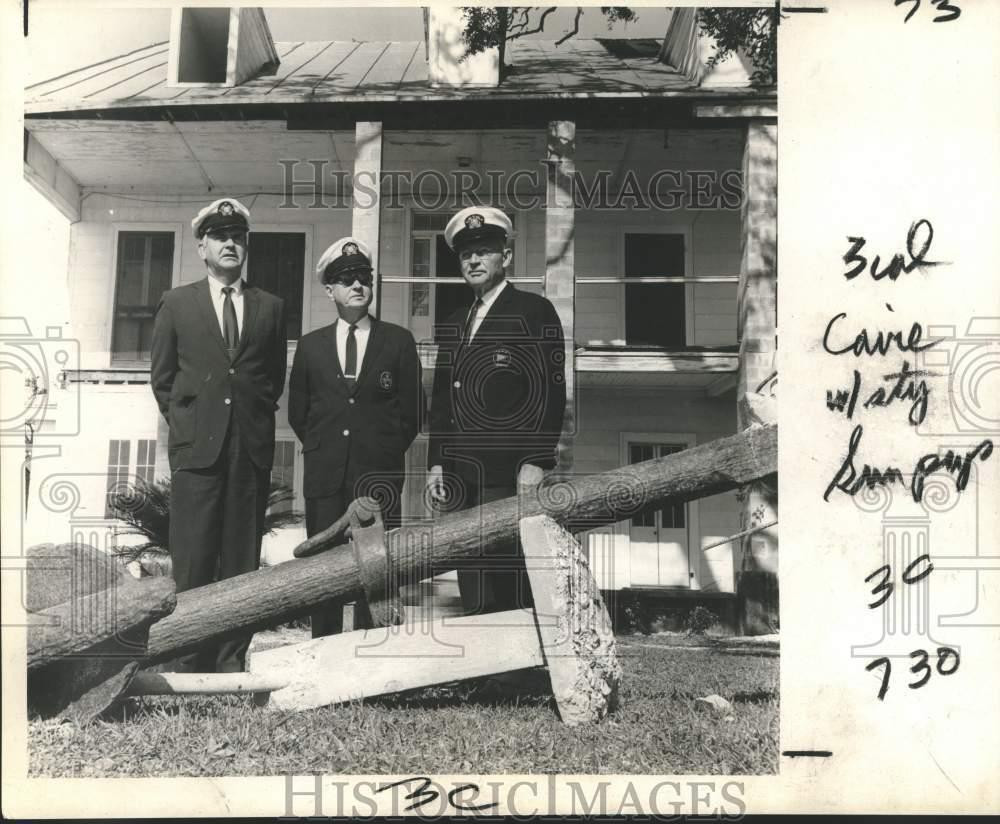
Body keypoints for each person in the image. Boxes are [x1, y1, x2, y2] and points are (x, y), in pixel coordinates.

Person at [150, 197, 287, 673]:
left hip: (248, 452)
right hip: (197, 454)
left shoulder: (270, 307)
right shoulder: (177, 302)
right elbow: (163, 381)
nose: (231, 244)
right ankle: (186, 660)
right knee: (193, 558)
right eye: (220, 237)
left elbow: (272, 381)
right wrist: (192, 426)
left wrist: (246, 424)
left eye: (238, 236)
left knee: (241, 562)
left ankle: (231, 661)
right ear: (202, 246)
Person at [426, 206, 566, 615]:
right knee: (471, 570)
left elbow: (550, 392)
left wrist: (538, 460)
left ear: (505, 257)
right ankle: (485, 668)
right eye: (466, 254)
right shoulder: (455, 320)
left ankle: (514, 675)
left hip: (507, 470)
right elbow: (442, 398)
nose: (473, 260)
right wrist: (436, 462)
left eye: (484, 251)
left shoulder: (533, 311)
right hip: (460, 472)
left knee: (507, 570)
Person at [289, 237, 422, 637]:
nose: (357, 285)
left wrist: (378, 450)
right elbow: (299, 413)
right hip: (325, 477)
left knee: (378, 572)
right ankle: (323, 655)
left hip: (377, 477)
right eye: (346, 279)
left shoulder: (398, 341)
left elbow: (413, 413)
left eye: (363, 277)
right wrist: (328, 447)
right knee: (323, 573)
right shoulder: (311, 347)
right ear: (329, 290)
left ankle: (376, 658)